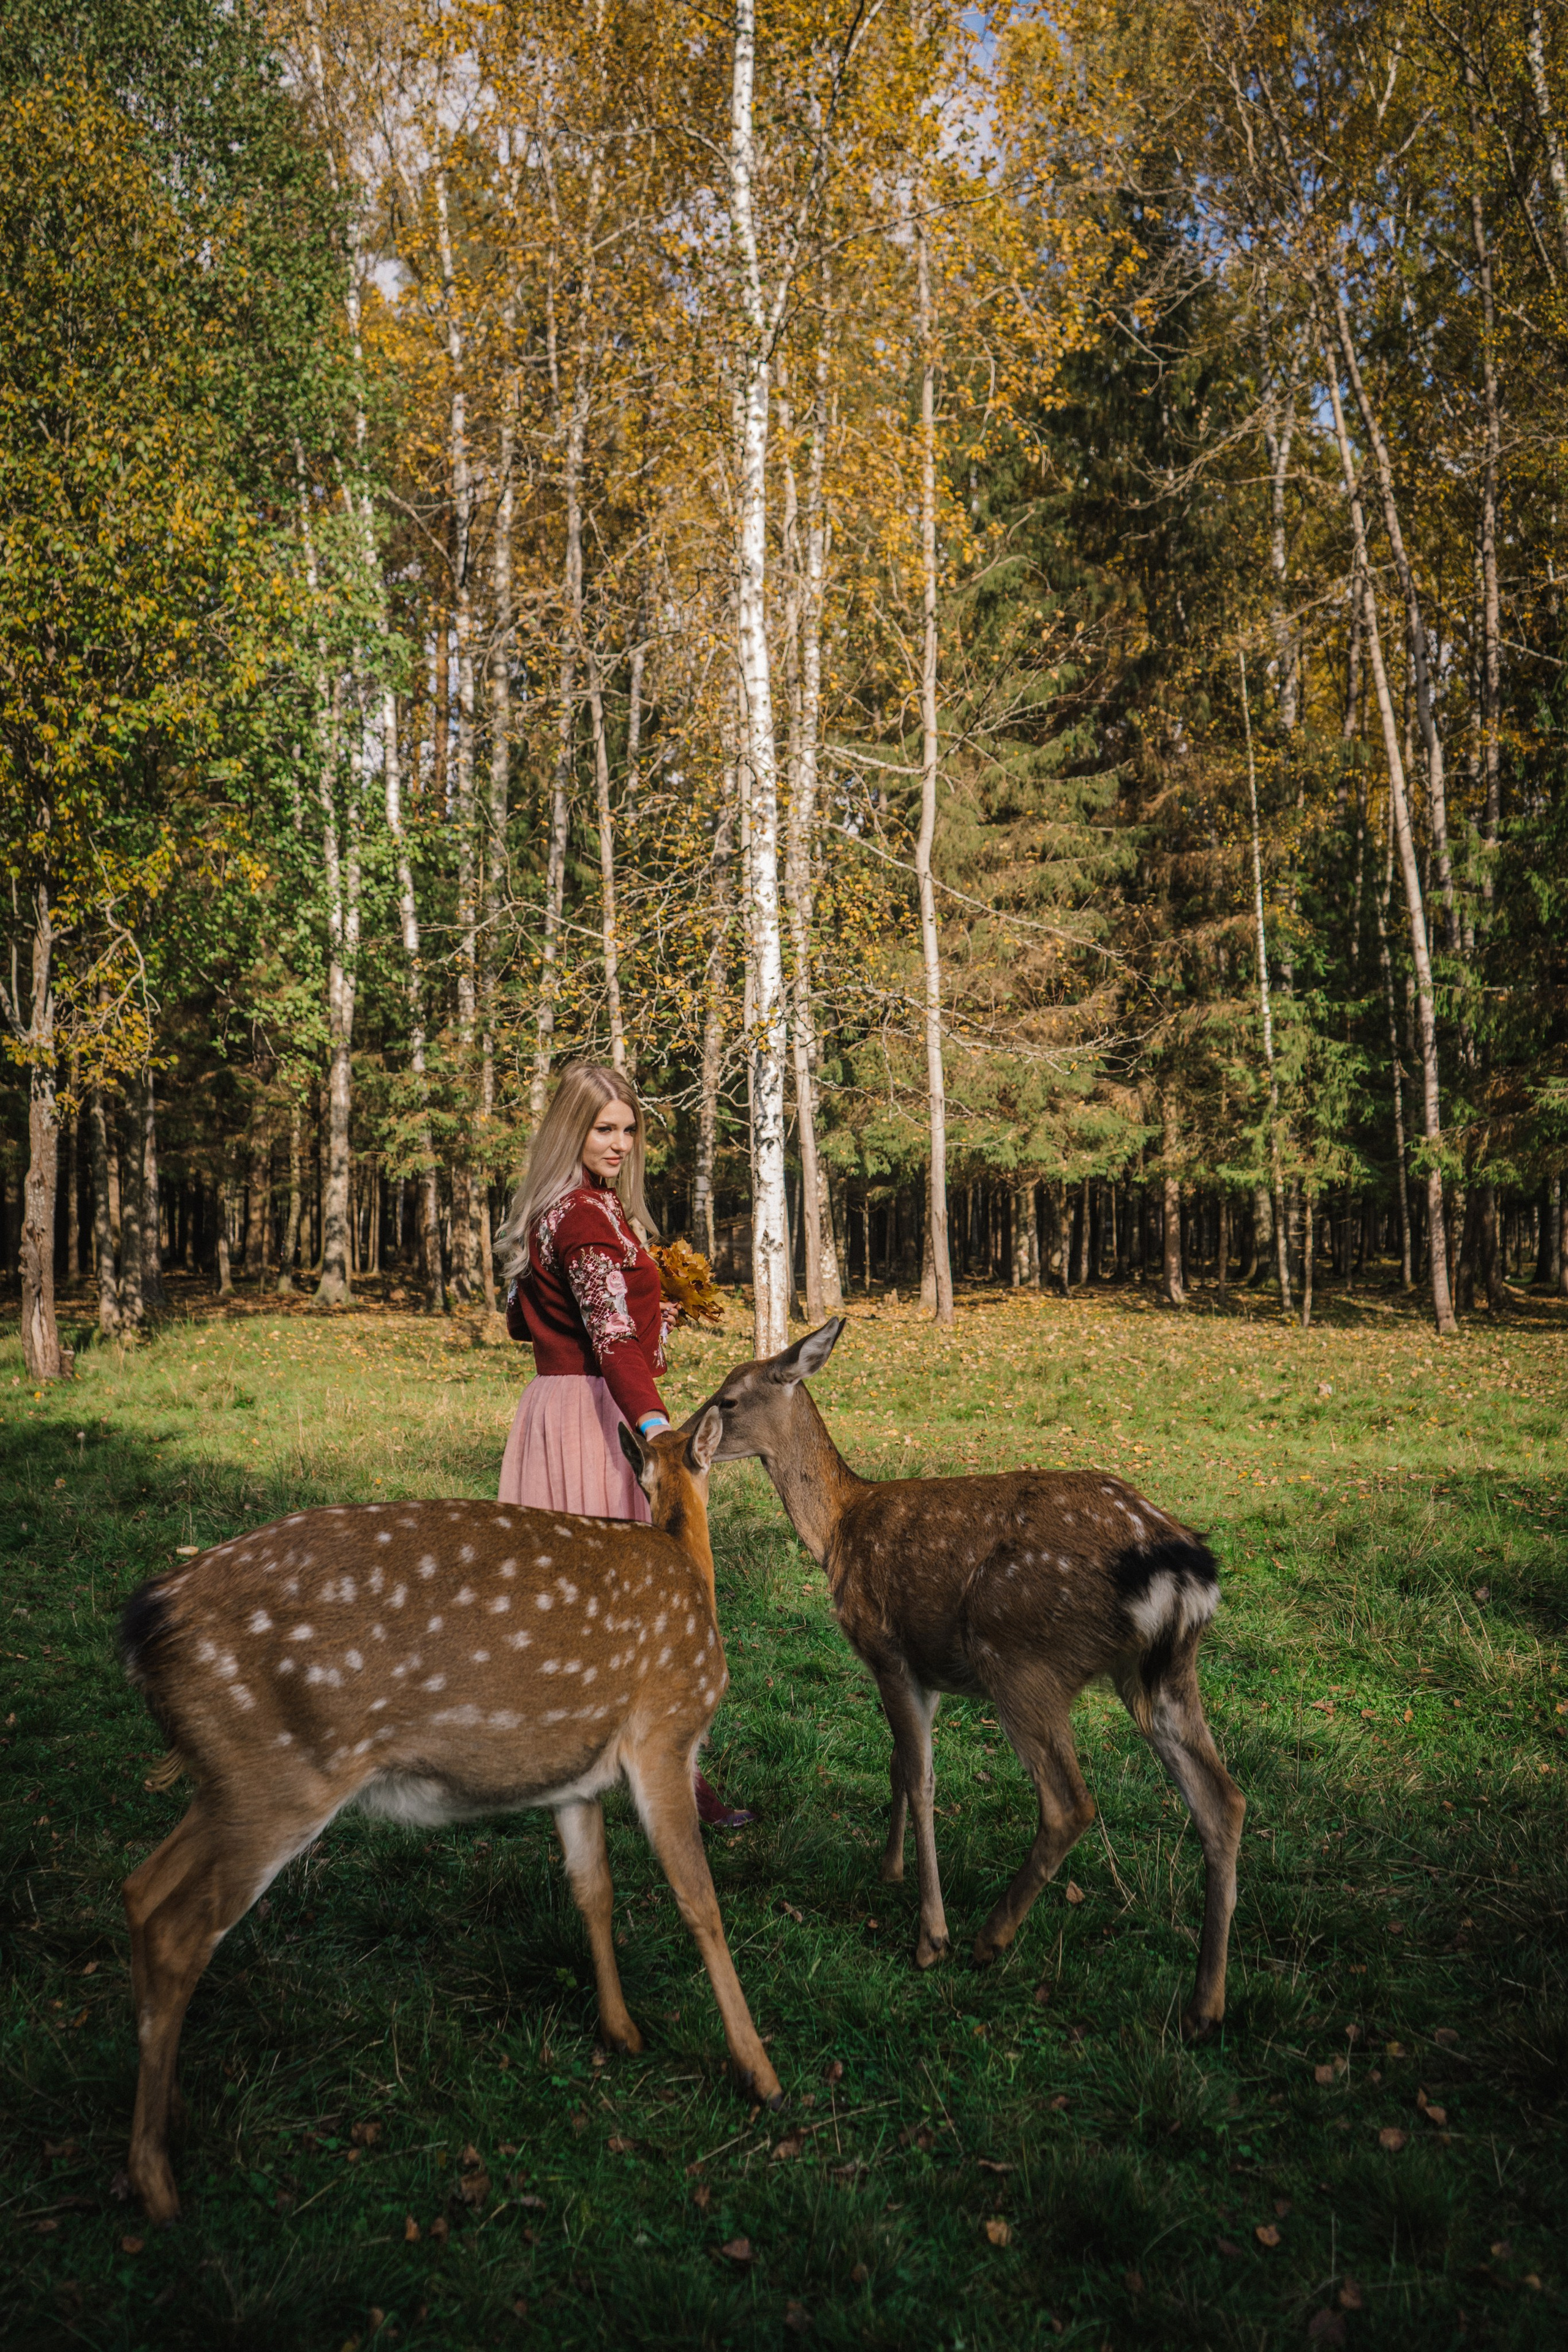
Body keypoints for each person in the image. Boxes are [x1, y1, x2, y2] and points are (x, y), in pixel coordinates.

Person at [496, 1063, 752, 1828]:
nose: (619, 1142)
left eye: (628, 1128)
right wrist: (657, 1433)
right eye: (602, 1128)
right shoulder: (580, 1218)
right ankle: (663, 1775)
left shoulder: (576, 1210)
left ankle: (595, 1758)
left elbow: (524, 1319)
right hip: (594, 1412)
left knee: (589, 1603)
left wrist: (660, 1303)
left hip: (560, 1403)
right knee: (638, 1602)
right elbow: (610, 1342)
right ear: (571, 1132)